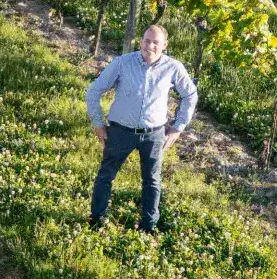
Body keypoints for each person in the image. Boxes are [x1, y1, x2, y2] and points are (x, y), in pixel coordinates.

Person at [85, 24, 198, 234]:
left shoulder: (173, 67)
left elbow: (190, 95)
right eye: (147, 40)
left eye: (156, 42)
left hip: (154, 134)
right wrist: (98, 122)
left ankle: (149, 225)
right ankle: (96, 220)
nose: (150, 46)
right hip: (120, 132)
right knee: (105, 176)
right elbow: (94, 91)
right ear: (141, 41)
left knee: (152, 180)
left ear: (165, 45)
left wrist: (178, 127)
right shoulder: (122, 63)